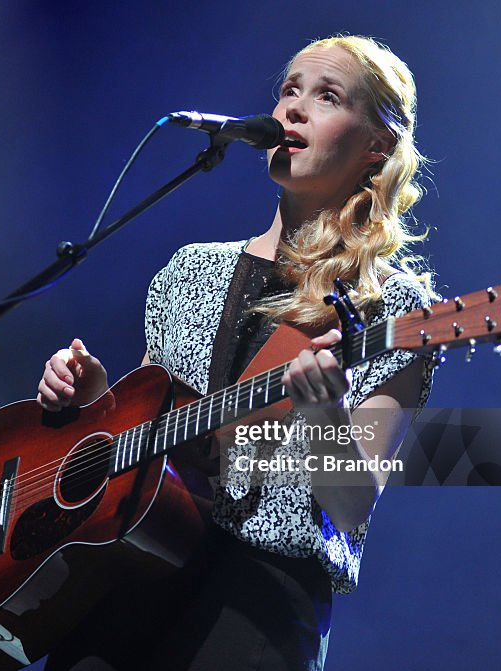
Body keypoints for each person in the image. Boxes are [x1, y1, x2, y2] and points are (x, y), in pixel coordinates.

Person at [35, 35, 437, 670]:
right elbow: (145, 436)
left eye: (326, 96)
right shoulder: (192, 270)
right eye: (288, 91)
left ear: (376, 148)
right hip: (130, 576)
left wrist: (323, 415)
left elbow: (353, 500)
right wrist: (91, 403)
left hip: (257, 608)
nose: (294, 110)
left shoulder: (393, 307)